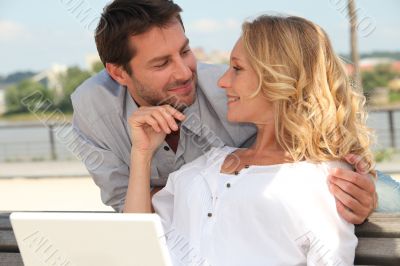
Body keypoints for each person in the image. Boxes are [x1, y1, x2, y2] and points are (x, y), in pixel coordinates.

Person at [71, 0, 377, 223]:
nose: (184, 72)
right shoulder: (94, 109)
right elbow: (127, 208)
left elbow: (313, 138)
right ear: (119, 74)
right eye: (162, 63)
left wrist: (368, 190)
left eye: (185, 51)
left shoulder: (232, 89)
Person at [126, 14, 372, 265]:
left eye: (237, 69)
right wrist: (141, 154)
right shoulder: (206, 165)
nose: (222, 82)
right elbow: (135, 246)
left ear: (278, 76)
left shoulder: (323, 178)